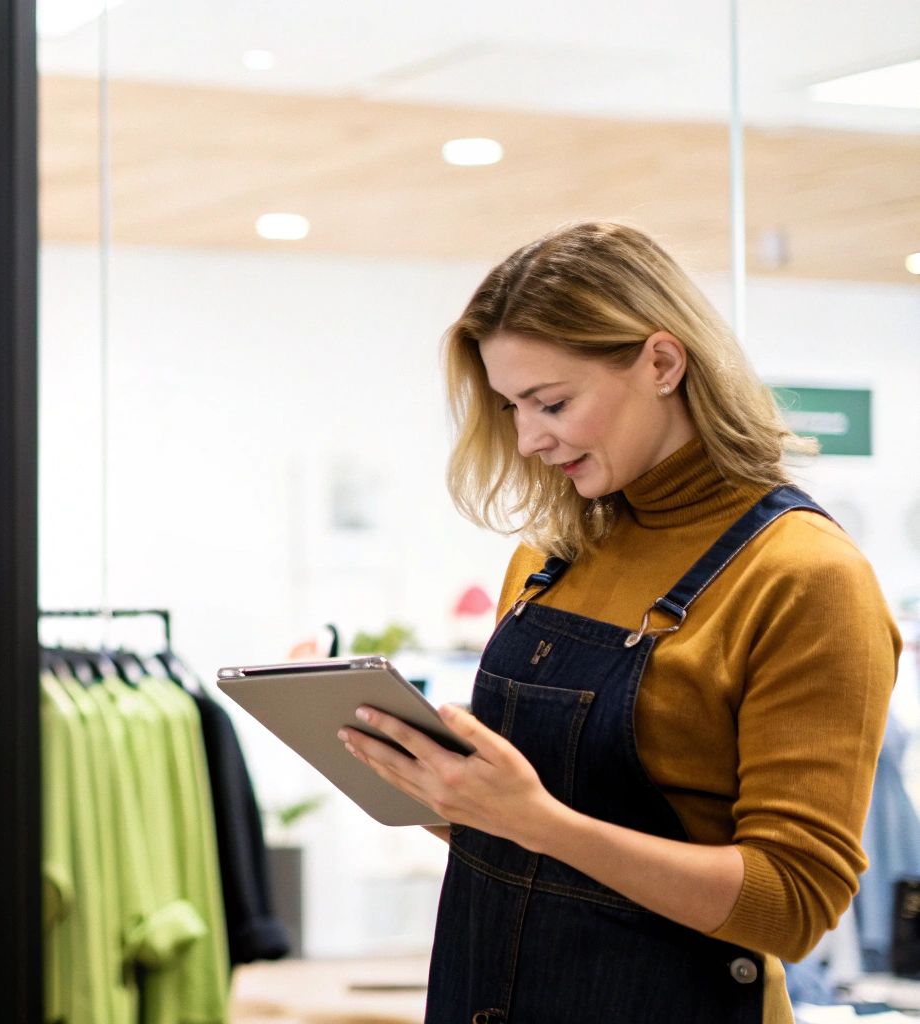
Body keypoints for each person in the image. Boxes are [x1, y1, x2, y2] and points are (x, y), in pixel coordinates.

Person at [334, 221, 901, 1023]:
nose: (529, 439)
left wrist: (537, 822)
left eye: (552, 402)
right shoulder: (547, 558)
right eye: (510, 408)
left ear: (663, 362)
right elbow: (532, 842)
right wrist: (435, 788)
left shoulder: (807, 578)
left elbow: (792, 904)